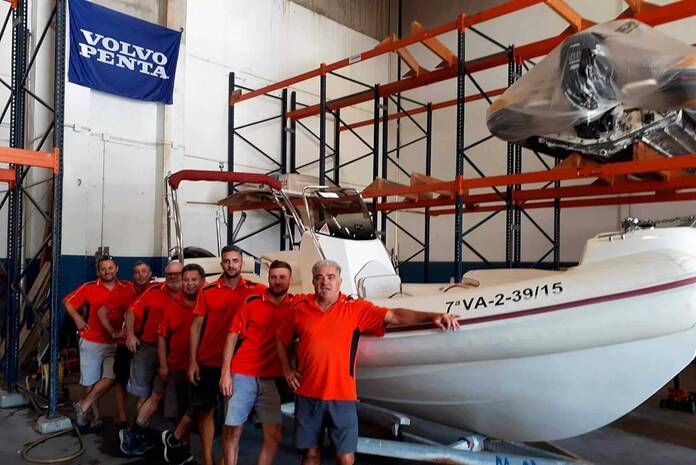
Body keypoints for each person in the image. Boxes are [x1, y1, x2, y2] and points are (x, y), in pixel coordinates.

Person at [277, 259, 460, 465]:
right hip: (307, 395)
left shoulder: (355, 308)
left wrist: (432, 316)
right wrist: (287, 369)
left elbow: (394, 315)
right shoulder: (300, 309)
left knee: (346, 457)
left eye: (330, 277)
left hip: (342, 396)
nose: (325, 282)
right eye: (319, 278)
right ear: (313, 282)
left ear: (339, 281)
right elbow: (281, 340)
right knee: (310, 454)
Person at [163, 245, 264, 465]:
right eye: (227, 261)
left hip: (238, 365)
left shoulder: (255, 290)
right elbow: (195, 327)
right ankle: (208, 460)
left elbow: (280, 296)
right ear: (221, 264)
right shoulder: (207, 291)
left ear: (242, 263)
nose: (231, 265)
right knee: (205, 411)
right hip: (208, 360)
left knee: (231, 417)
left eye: (235, 261)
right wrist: (193, 362)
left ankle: (225, 459)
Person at [121, 263, 203, 459]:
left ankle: (172, 441)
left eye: (178, 274)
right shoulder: (159, 296)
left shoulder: (203, 299)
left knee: (180, 402)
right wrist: (130, 335)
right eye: (169, 274)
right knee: (150, 395)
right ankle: (138, 434)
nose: (174, 277)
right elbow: (137, 316)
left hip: (187, 358)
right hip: (155, 350)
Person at [219, 260, 294, 465]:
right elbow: (232, 336)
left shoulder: (295, 306)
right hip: (242, 373)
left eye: (282, 277)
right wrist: (225, 373)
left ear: (290, 280)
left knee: (274, 434)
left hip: (269, 378)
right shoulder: (251, 302)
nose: (277, 281)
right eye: (273, 277)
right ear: (268, 279)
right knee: (233, 432)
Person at [64, 255, 126, 430]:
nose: (107, 271)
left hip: (115, 342)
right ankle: (96, 417)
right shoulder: (89, 287)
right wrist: (77, 318)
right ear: (98, 272)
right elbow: (67, 301)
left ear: (117, 269)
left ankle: (82, 405)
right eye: (103, 269)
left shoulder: (126, 287)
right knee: (91, 381)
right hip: (92, 340)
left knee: (111, 376)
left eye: (110, 268)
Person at [97, 261, 153, 427]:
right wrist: (113, 333)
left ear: (150, 274)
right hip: (127, 342)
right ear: (133, 275)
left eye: (144, 271)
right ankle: (122, 416)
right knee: (121, 379)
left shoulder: (157, 290)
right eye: (137, 272)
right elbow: (101, 313)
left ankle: (142, 419)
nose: (140, 275)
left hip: (150, 342)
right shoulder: (122, 291)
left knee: (147, 380)